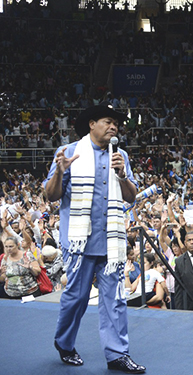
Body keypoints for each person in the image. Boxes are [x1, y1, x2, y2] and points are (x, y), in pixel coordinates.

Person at [44, 103, 145, 373]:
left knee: (115, 299)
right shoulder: (68, 153)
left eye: (116, 123)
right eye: (108, 121)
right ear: (92, 123)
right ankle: (64, 343)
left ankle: (117, 354)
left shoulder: (119, 155)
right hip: (79, 242)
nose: (114, 127)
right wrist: (61, 172)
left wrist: (122, 175)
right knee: (76, 297)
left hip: (110, 242)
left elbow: (131, 196)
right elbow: (51, 196)